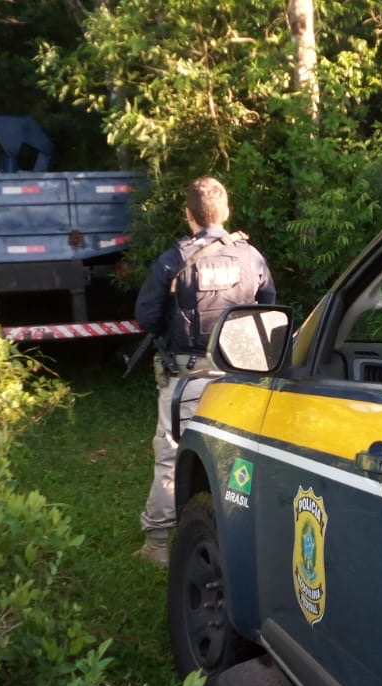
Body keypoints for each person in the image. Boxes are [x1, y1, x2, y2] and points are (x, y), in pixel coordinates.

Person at [133, 177, 276, 565]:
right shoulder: (251, 256)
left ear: (188, 214)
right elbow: (269, 309)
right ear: (225, 211)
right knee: (240, 457)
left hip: (188, 380)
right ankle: (244, 537)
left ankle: (158, 544)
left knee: (171, 456)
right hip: (242, 378)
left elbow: (145, 316)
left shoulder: (173, 259)